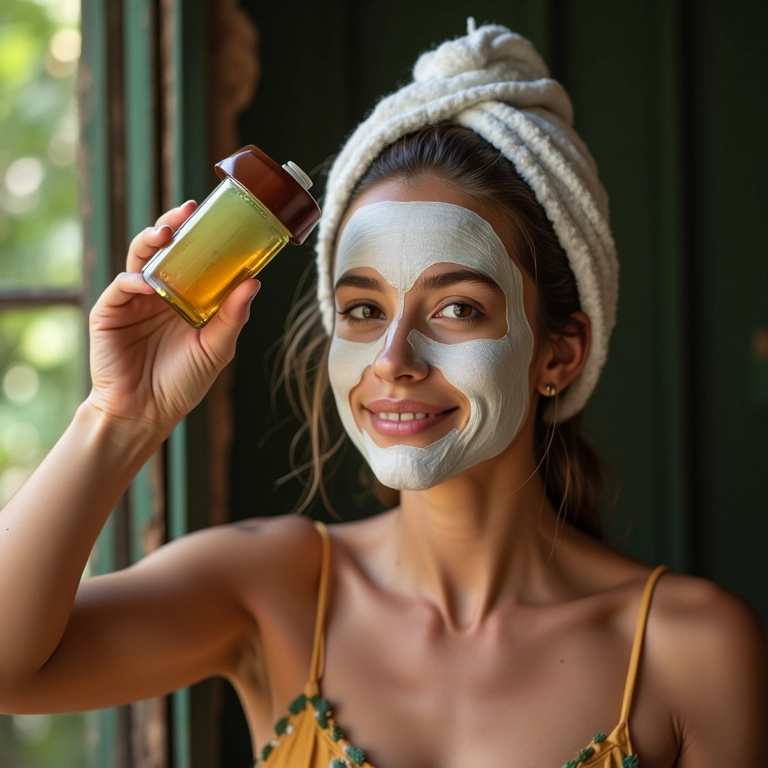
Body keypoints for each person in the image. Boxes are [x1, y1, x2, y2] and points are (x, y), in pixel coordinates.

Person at [0, 21, 765, 768]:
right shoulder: (270, 592)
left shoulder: (691, 653)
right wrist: (119, 417)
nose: (393, 358)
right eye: (362, 310)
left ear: (559, 355)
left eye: (458, 308)